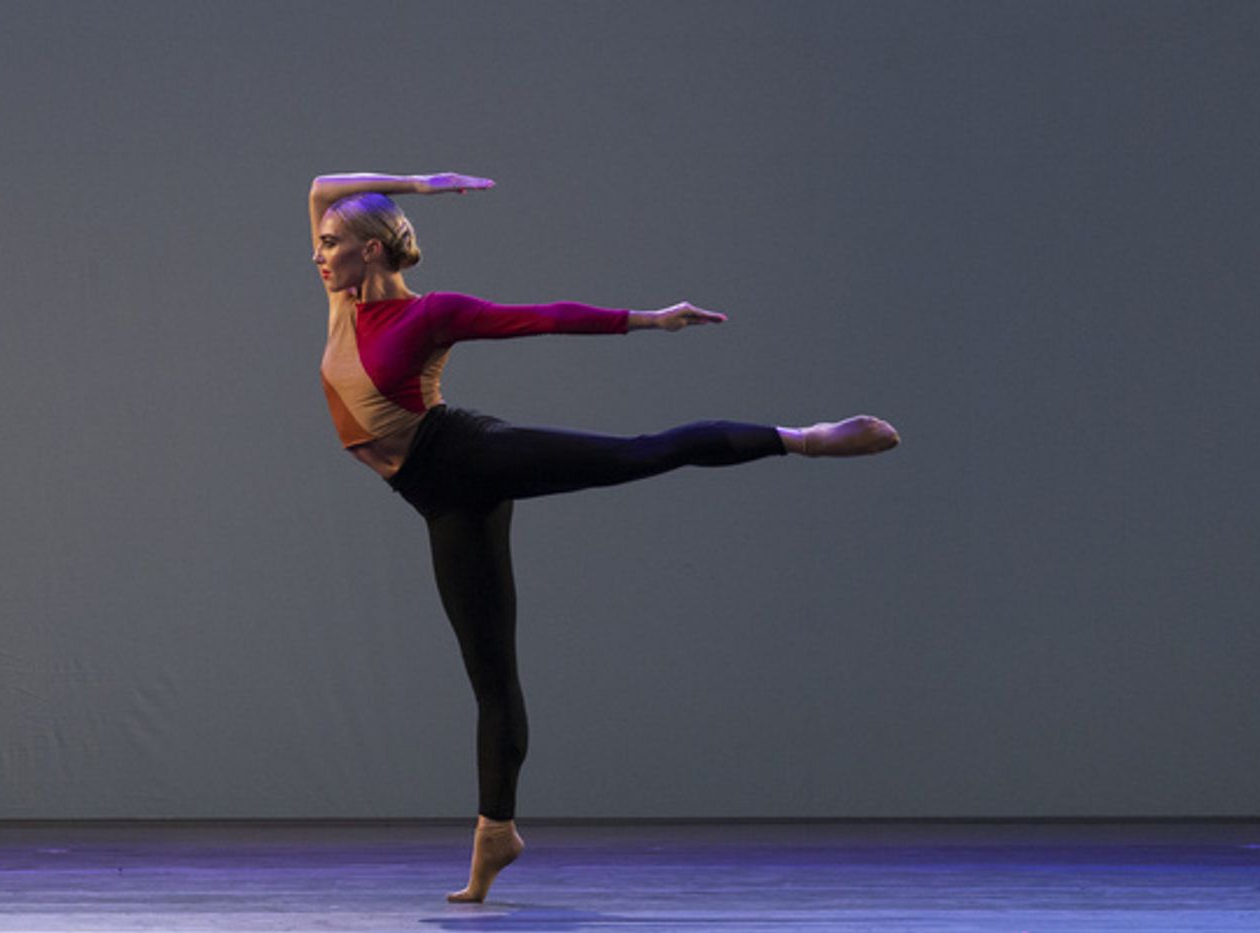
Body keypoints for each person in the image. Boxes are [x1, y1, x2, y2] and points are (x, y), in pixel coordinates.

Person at [308, 171, 899, 903]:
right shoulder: (341, 297)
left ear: (370, 251)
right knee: (490, 676)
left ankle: (805, 438)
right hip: (437, 501)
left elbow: (543, 318)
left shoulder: (430, 315)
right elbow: (323, 184)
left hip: (463, 454)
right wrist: (422, 183)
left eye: (331, 244)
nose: (317, 254)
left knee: (635, 453)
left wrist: (648, 319)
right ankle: (496, 835)